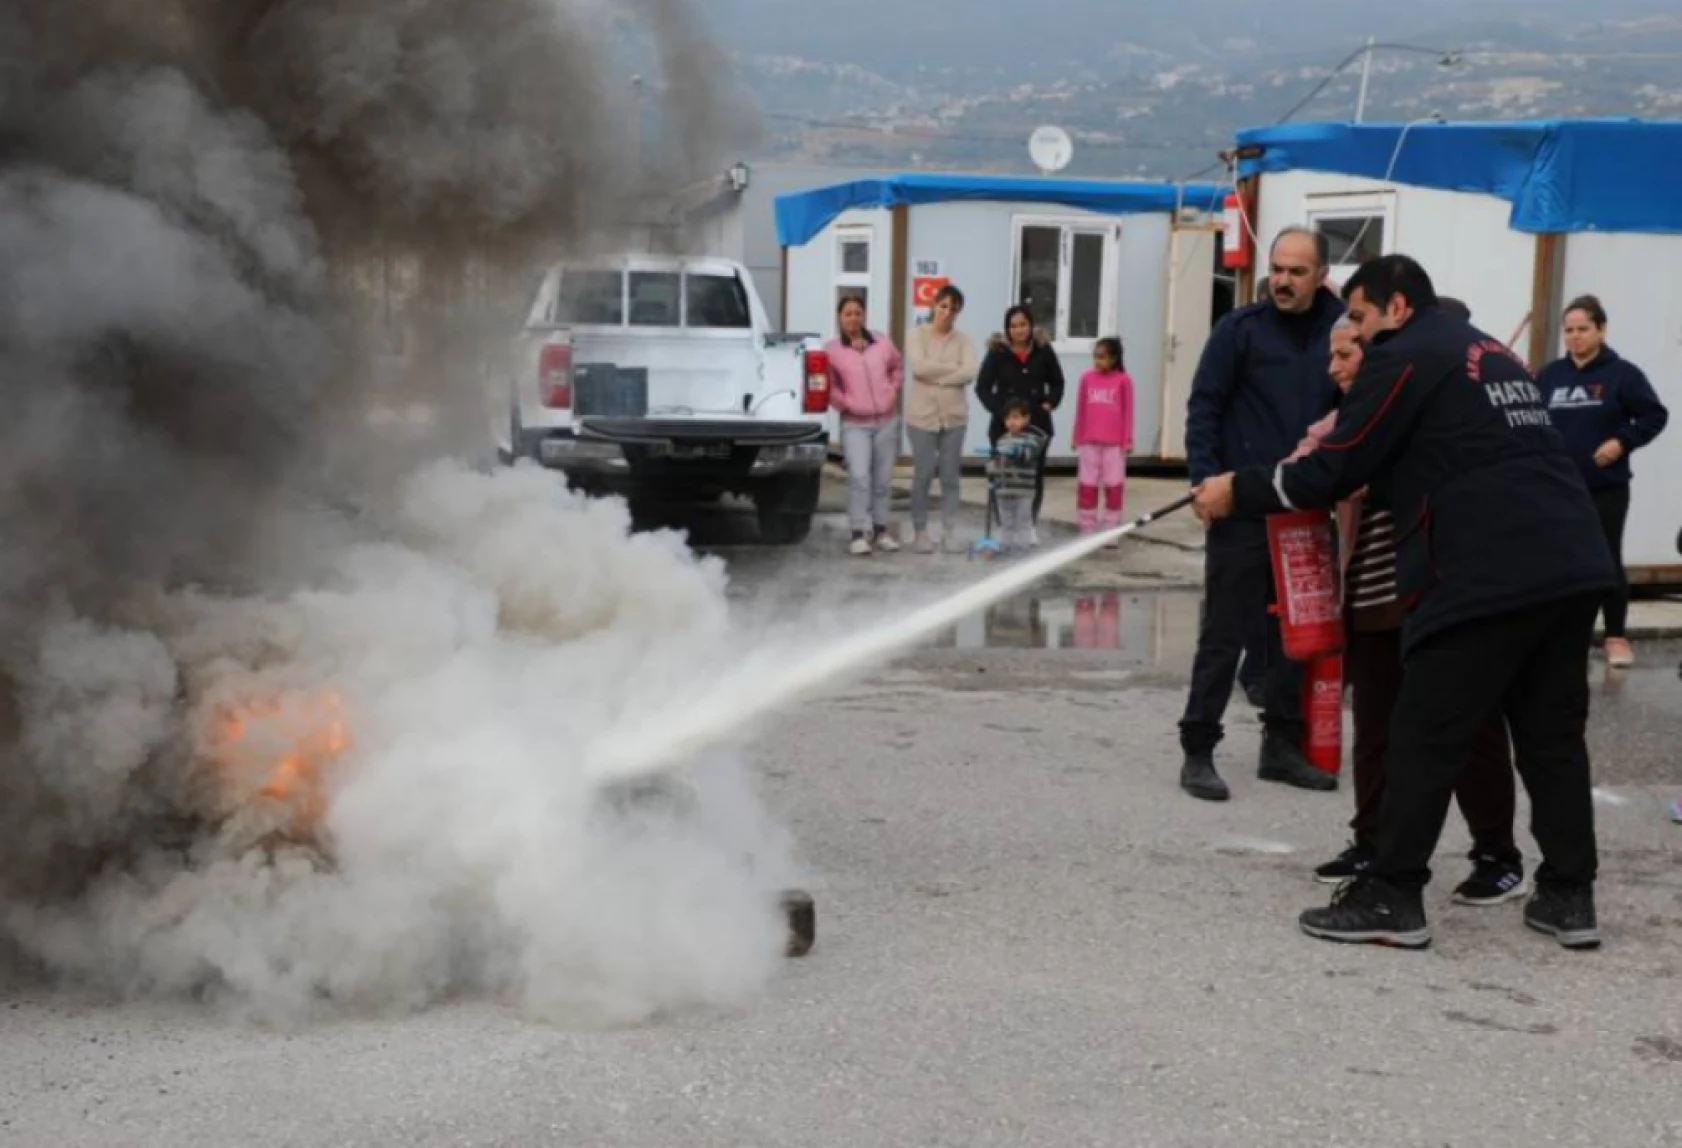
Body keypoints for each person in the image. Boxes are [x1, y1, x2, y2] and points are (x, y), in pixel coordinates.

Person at [1192, 254, 1615, 951]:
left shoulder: (1406, 352)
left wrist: (1237, 490)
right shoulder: (1490, 353)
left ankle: (1392, 895)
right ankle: (1570, 896)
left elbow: (1336, 467)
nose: (1350, 329)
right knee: (1551, 738)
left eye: (1356, 315)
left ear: (1396, 309)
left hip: (1485, 571)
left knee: (1423, 733)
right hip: (1570, 565)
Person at [1300, 316, 1525, 905]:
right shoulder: (1340, 423)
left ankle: (1497, 854)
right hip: (1371, 594)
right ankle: (1371, 840)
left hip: (1434, 593)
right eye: (1332, 356)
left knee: (1470, 729)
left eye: (1346, 353)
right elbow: (1312, 466)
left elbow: (1427, 477)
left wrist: (1364, 480)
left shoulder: (1423, 409)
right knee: (1374, 726)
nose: (1336, 366)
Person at [1177, 226, 1344, 802]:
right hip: (1241, 505)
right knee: (1224, 632)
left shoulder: (1342, 331)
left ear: (1322, 275)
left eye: (1297, 271)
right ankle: (1198, 747)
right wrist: (1204, 482)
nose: (1282, 280)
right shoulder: (1238, 331)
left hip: (1305, 508)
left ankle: (1282, 747)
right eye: (1277, 268)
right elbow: (1204, 407)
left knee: (1296, 637)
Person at [1537, 295, 1669, 668]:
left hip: (1605, 486)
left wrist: (1621, 442)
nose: (1575, 338)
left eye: (1583, 329)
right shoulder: (1550, 376)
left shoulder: (1622, 375)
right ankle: (1562, 635)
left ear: (1601, 330)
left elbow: (1654, 416)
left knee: (1606, 558)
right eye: (1569, 331)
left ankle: (1615, 637)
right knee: (1558, 560)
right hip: (1559, 488)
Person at [977, 305, 1065, 542]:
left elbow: (1057, 382)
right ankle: (1004, 526)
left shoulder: (1043, 350)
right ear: (1007, 329)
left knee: (1033, 477)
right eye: (1013, 326)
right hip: (1003, 428)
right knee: (1003, 477)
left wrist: (1051, 402)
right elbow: (982, 387)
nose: (1018, 330)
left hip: (1037, 425)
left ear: (1031, 325)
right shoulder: (997, 352)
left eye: (1022, 324)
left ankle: (1029, 526)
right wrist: (1001, 411)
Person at [826, 295, 904, 557]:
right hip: (855, 423)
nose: (853, 318)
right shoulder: (833, 350)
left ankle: (881, 530)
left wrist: (892, 391)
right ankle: (858, 533)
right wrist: (844, 403)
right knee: (860, 477)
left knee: (882, 480)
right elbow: (829, 384)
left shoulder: (881, 341)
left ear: (864, 315)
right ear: (839, 317)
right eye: (847, 313)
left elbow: (897, 366)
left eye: (857, 312)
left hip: (886, 420)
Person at [904, 285, 980, 554]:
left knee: (950, 476)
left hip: (954, 418)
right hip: (921, 417)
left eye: (953, 308)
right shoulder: (916, 335)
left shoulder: (963, 340)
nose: (947, 313)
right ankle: (921, 531)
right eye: (943, 306)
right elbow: (919, 367)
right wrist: (952, 373)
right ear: (934, 305)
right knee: (923, 474)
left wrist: (938, 376)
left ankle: (949, 531)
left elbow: (969, 372)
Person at [1071, 336, 1135, 544]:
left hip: (1114, 446)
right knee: (1087, 485)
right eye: (1095, 357)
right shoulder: (1086, 379)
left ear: (1114, 358)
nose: (1098, 362)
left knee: (1114, 486)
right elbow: (1080, 410)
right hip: (1089, 443)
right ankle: (1087, 528)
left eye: (1103, 357)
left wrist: (1127, 440)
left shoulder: (1124, 381)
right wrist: (1077, 436)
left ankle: (1110, 530)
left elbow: (1128, 413)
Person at [988, 398, 1047, 554]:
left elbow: (1026, 455)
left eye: (1016, 417)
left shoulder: (1032, 440)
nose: (1011, 422)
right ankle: (1005, 548)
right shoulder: (1001, 441)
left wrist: (1015, 453)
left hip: (1023, 492)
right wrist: (992, 467)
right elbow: (997, 463)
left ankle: (1021, 550)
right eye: (1008, 418)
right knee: (1006, 523)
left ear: (1026, 418)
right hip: (1003, 492)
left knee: (1022, 523)